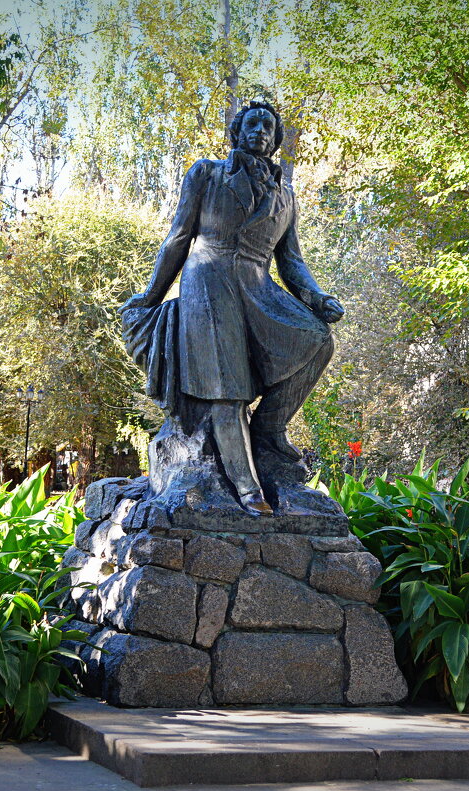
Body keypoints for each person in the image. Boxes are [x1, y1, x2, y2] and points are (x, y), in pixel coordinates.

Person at [123, 100, 344, 516]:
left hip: (258, 286)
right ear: (237, 132)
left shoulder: (285, 195)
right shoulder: (207, 173)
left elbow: (291, 260)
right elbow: (178, 238)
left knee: (318, 341)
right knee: (228, 388)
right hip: (210, 280)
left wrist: (317, 298)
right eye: (252, 123)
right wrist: (151, 295)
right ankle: (247, 488)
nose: (260, 129)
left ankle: (268, 431)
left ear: (275, 140)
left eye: (268, 126)